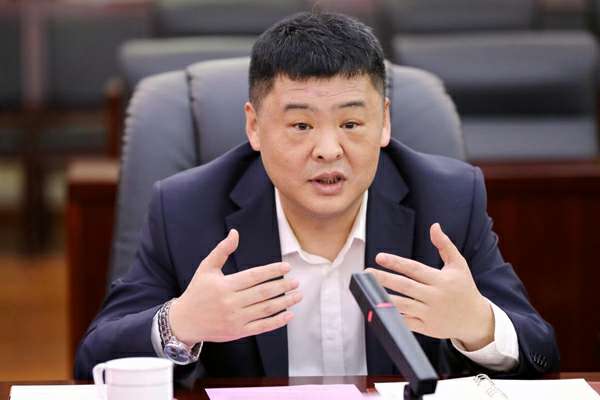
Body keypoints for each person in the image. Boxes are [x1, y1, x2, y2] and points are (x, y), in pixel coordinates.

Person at [75, 12, 559, 381]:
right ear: (254, 126)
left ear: (384, 122)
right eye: (301, 125)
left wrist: (478, 325)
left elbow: (542, 352)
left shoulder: (447, 199)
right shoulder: (187, 208)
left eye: (351, 123)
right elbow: (92, 360)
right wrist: (179, 324)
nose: (329, 150)